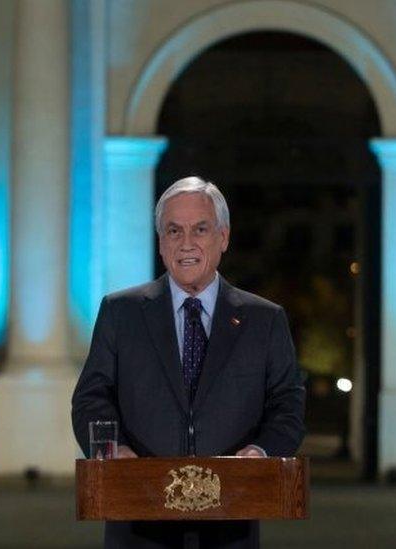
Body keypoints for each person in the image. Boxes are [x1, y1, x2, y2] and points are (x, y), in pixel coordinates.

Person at [72, 176, 306, 548]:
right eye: (173, 231)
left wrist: (260, 453)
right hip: (138, 522)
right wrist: (113, 449)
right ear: (161, 243)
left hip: (231, 524)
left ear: (223, 237)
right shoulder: (121, 312)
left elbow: (287, 406)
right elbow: (91, 397)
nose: (186, 245)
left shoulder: (265, 320)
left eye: (200, 229)